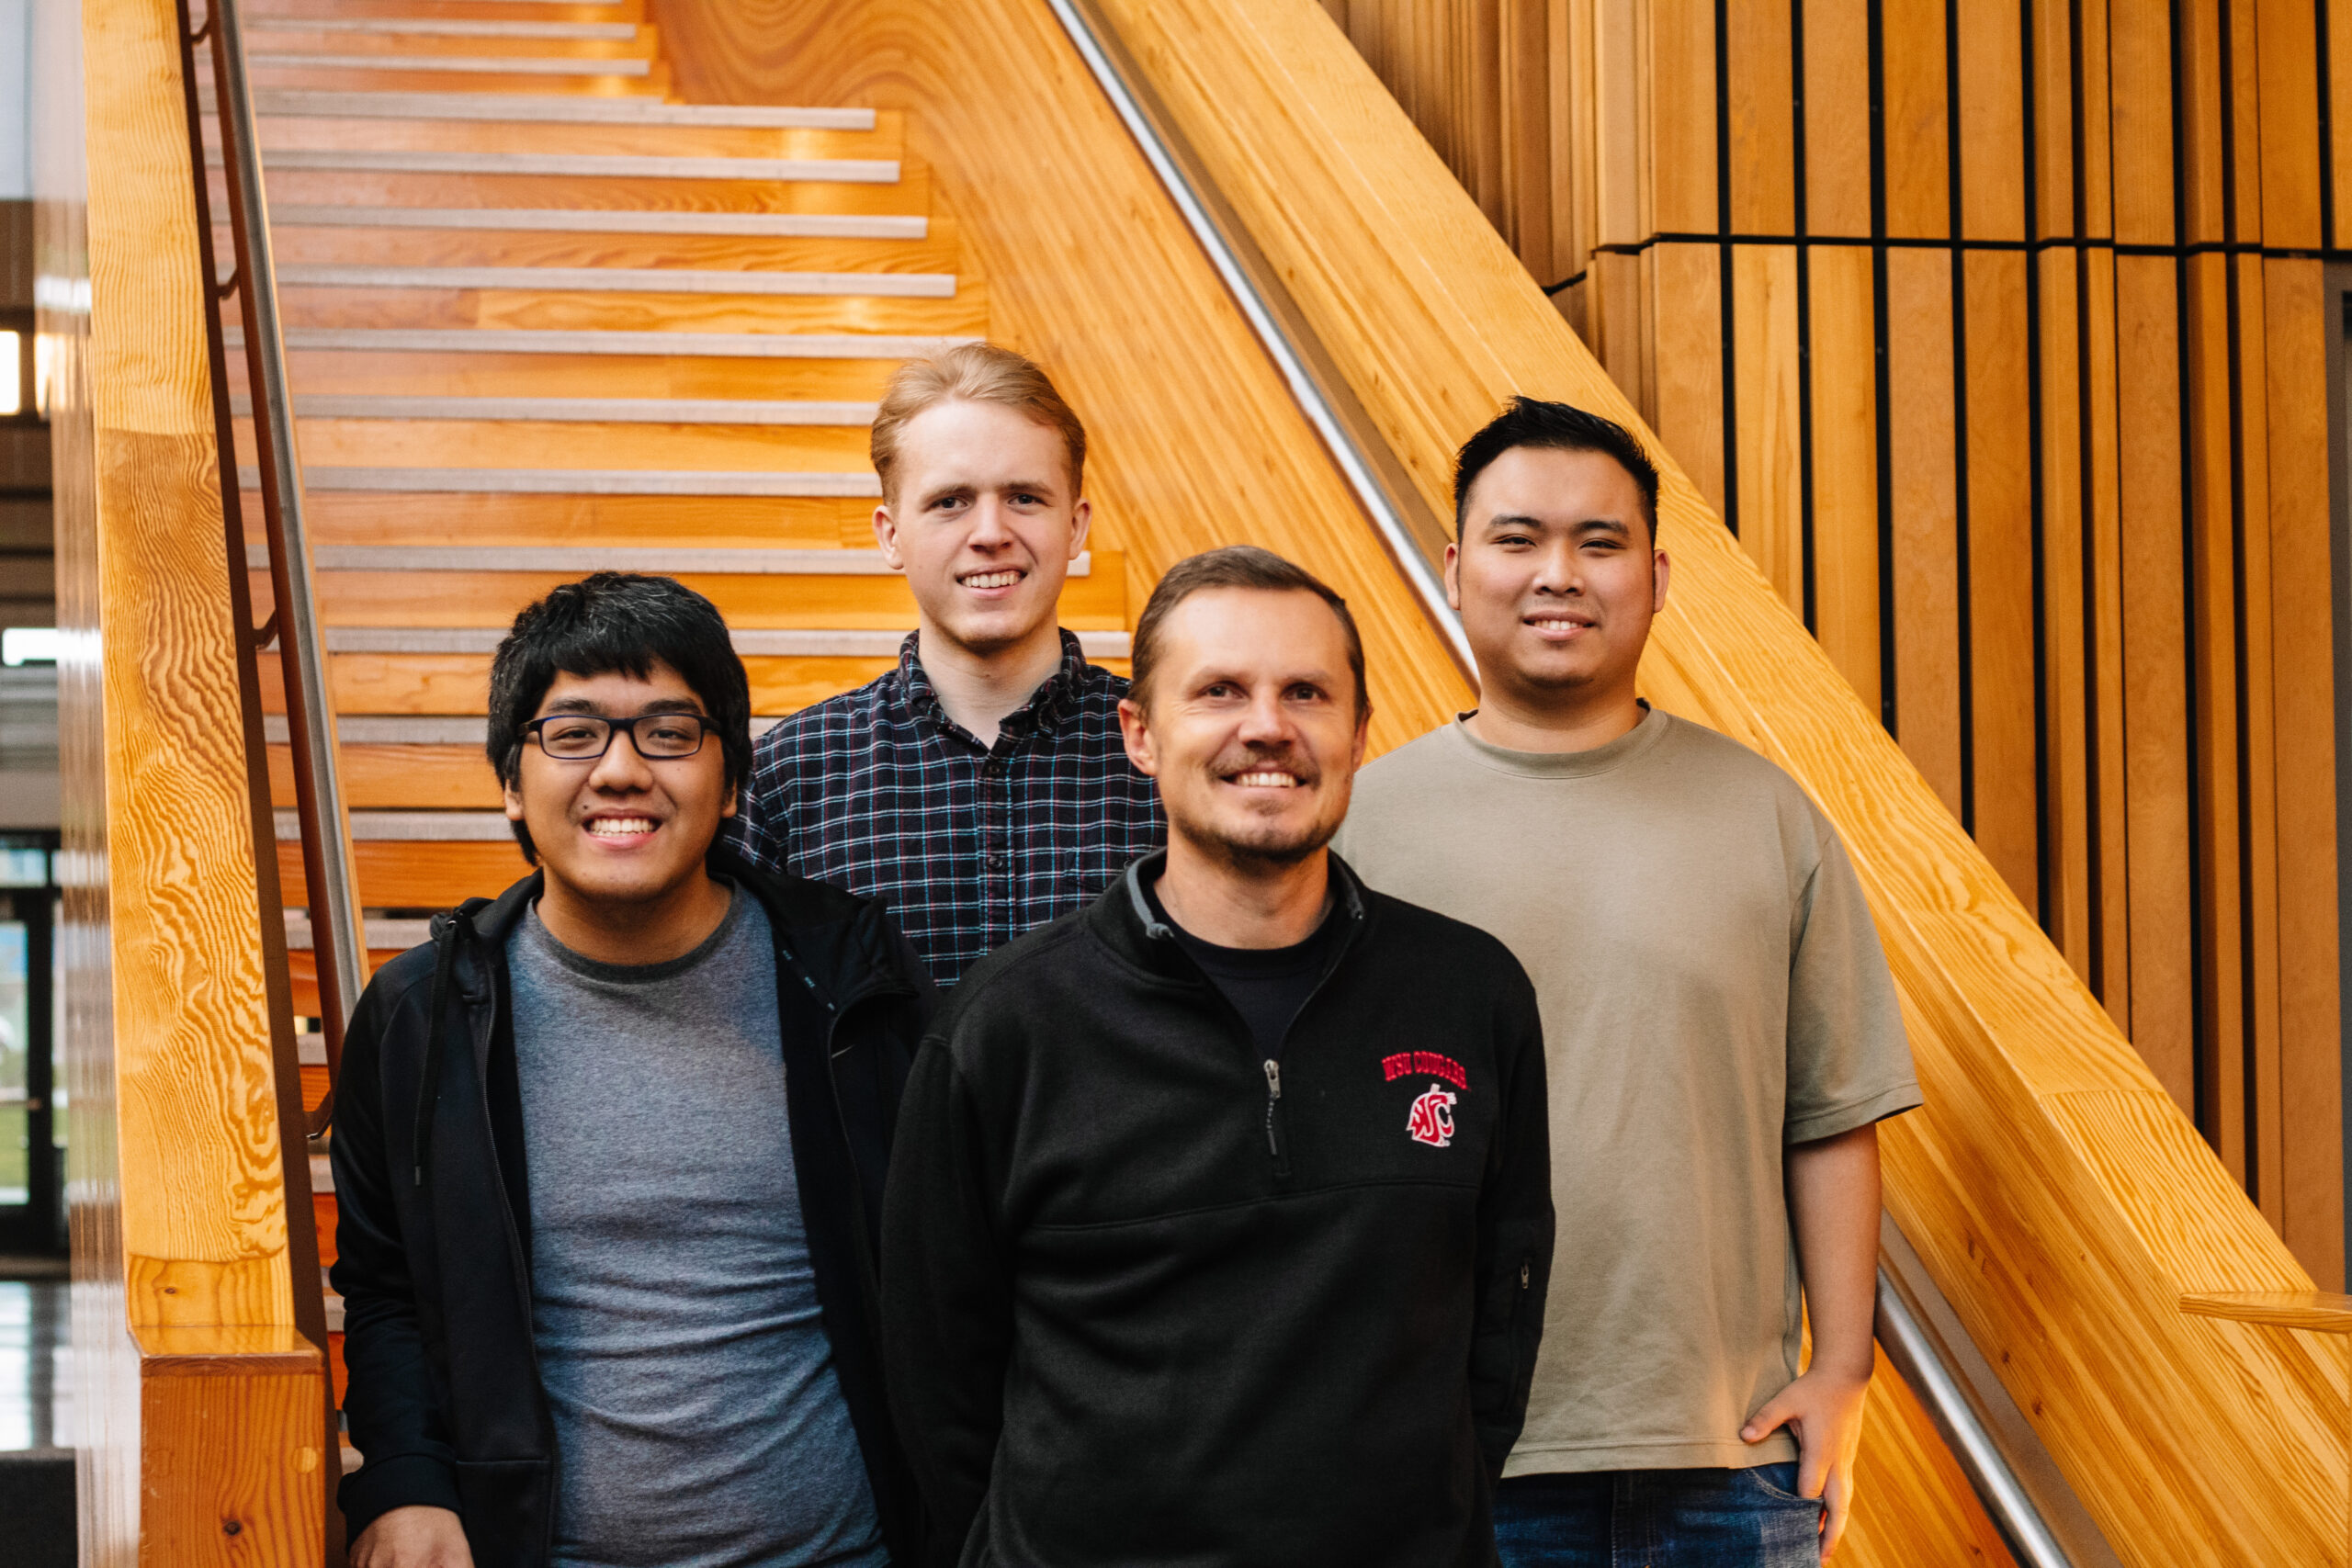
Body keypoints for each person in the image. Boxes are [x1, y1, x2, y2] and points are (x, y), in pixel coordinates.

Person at [882, 546, 1555, 1568]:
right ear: (1141, 735)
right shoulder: (1006, 1028)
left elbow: (1501, 1310)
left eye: (1306, 692)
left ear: (1358, 734)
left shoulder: (1471, 995)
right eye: (1220, 692)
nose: (1267, 727)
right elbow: (940, 1378)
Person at [1334, 399, 1920, 1566]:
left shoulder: (1765, 814)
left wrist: (1843, 1366)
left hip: (1728, 1466)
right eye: (1517, 538)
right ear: (1454, 567)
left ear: (1654, 576)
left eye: (1598, 544)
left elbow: (1832, 1112)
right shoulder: (1356, 826)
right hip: (1448, 1463)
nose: (1558, 573)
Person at [332, 573, 932, 1568]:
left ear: (731, 780)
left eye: (668, 731)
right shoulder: (422, 1015)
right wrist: (404, 1478)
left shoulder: (851, 980)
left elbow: (943, 1264)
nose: (619, 771)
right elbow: (387, 1285)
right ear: (512, 784)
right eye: (572, 733)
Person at [729, 343, 1163, 984]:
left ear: (1075, 527)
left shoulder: (1172, 753)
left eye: (1024, 497)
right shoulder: (788, 776)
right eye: (950, 501)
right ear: (890, 534)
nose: (989, 531)